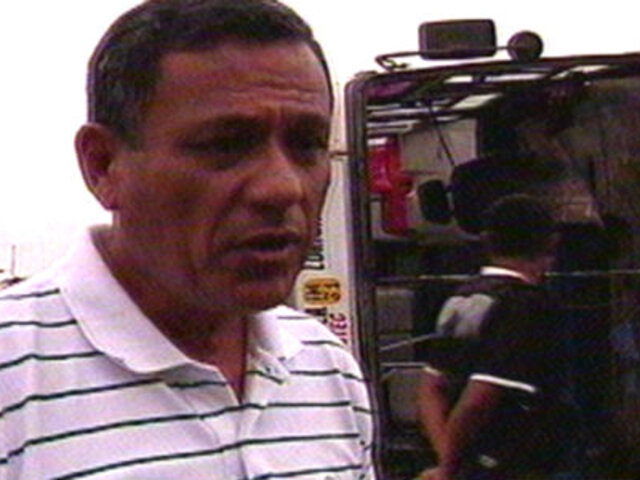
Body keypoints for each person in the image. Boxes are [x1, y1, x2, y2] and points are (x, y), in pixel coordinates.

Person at [0, 1, 375, 478]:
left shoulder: (326, 367)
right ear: (103, 165)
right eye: (225, 145)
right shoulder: (14, 374)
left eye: (307, 144)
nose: (282, 187)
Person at [416, 194, 581, 480]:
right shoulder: (527, 305)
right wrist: (449, 469)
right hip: (519, 463)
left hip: (472, 464)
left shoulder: (461, 298)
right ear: (551, 243)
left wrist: (448, 459)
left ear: (487, 240)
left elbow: (431, 389)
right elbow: (479, 399)